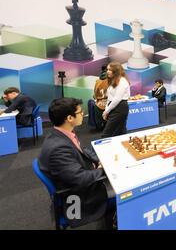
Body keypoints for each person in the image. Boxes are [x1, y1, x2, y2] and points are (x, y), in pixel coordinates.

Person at [38, 98, 114, 228]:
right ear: (69, 118)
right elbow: (79, 179)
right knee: (124, 189)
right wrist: (104, 169)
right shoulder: (58, 149)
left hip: (80, 177)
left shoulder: (60, 133)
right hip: (79, 197)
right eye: (80, 112)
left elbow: (81, 151)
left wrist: (97, 161)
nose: (82, 114)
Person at [102, 62, 130, 138]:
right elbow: (110, 98)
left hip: (120, 107)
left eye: (110, 70)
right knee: (120, 132)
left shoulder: (122, 81)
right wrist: (106, 109)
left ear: (116, 71)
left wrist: (106, 112)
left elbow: (117, 99)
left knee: (107, 134)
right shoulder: (113, 80)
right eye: (107, 69)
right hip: (113, 106)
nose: (107, 71)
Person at [93, 65, 108, 130]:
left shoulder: (98, 81)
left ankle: (99, 126)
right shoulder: (111, 80)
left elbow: (95, 94)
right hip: (108, 102)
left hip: (99, 103)